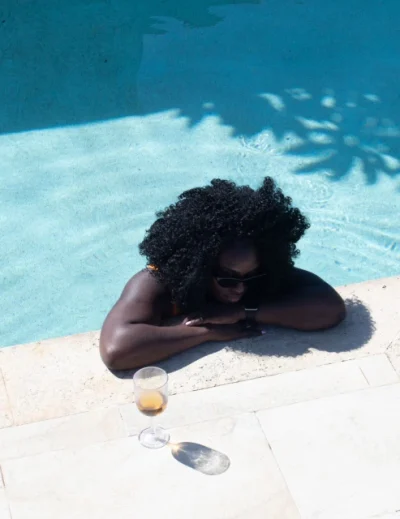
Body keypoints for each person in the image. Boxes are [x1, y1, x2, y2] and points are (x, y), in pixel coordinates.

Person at [100, 177, 346, 370]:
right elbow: (116, 349)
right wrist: (207, 333)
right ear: (199, 267)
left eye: (250, 277)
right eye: (228, 279)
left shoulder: (264, 271)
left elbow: (330, 309)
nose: (240, 289)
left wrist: (242, 312)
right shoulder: (159, 281)